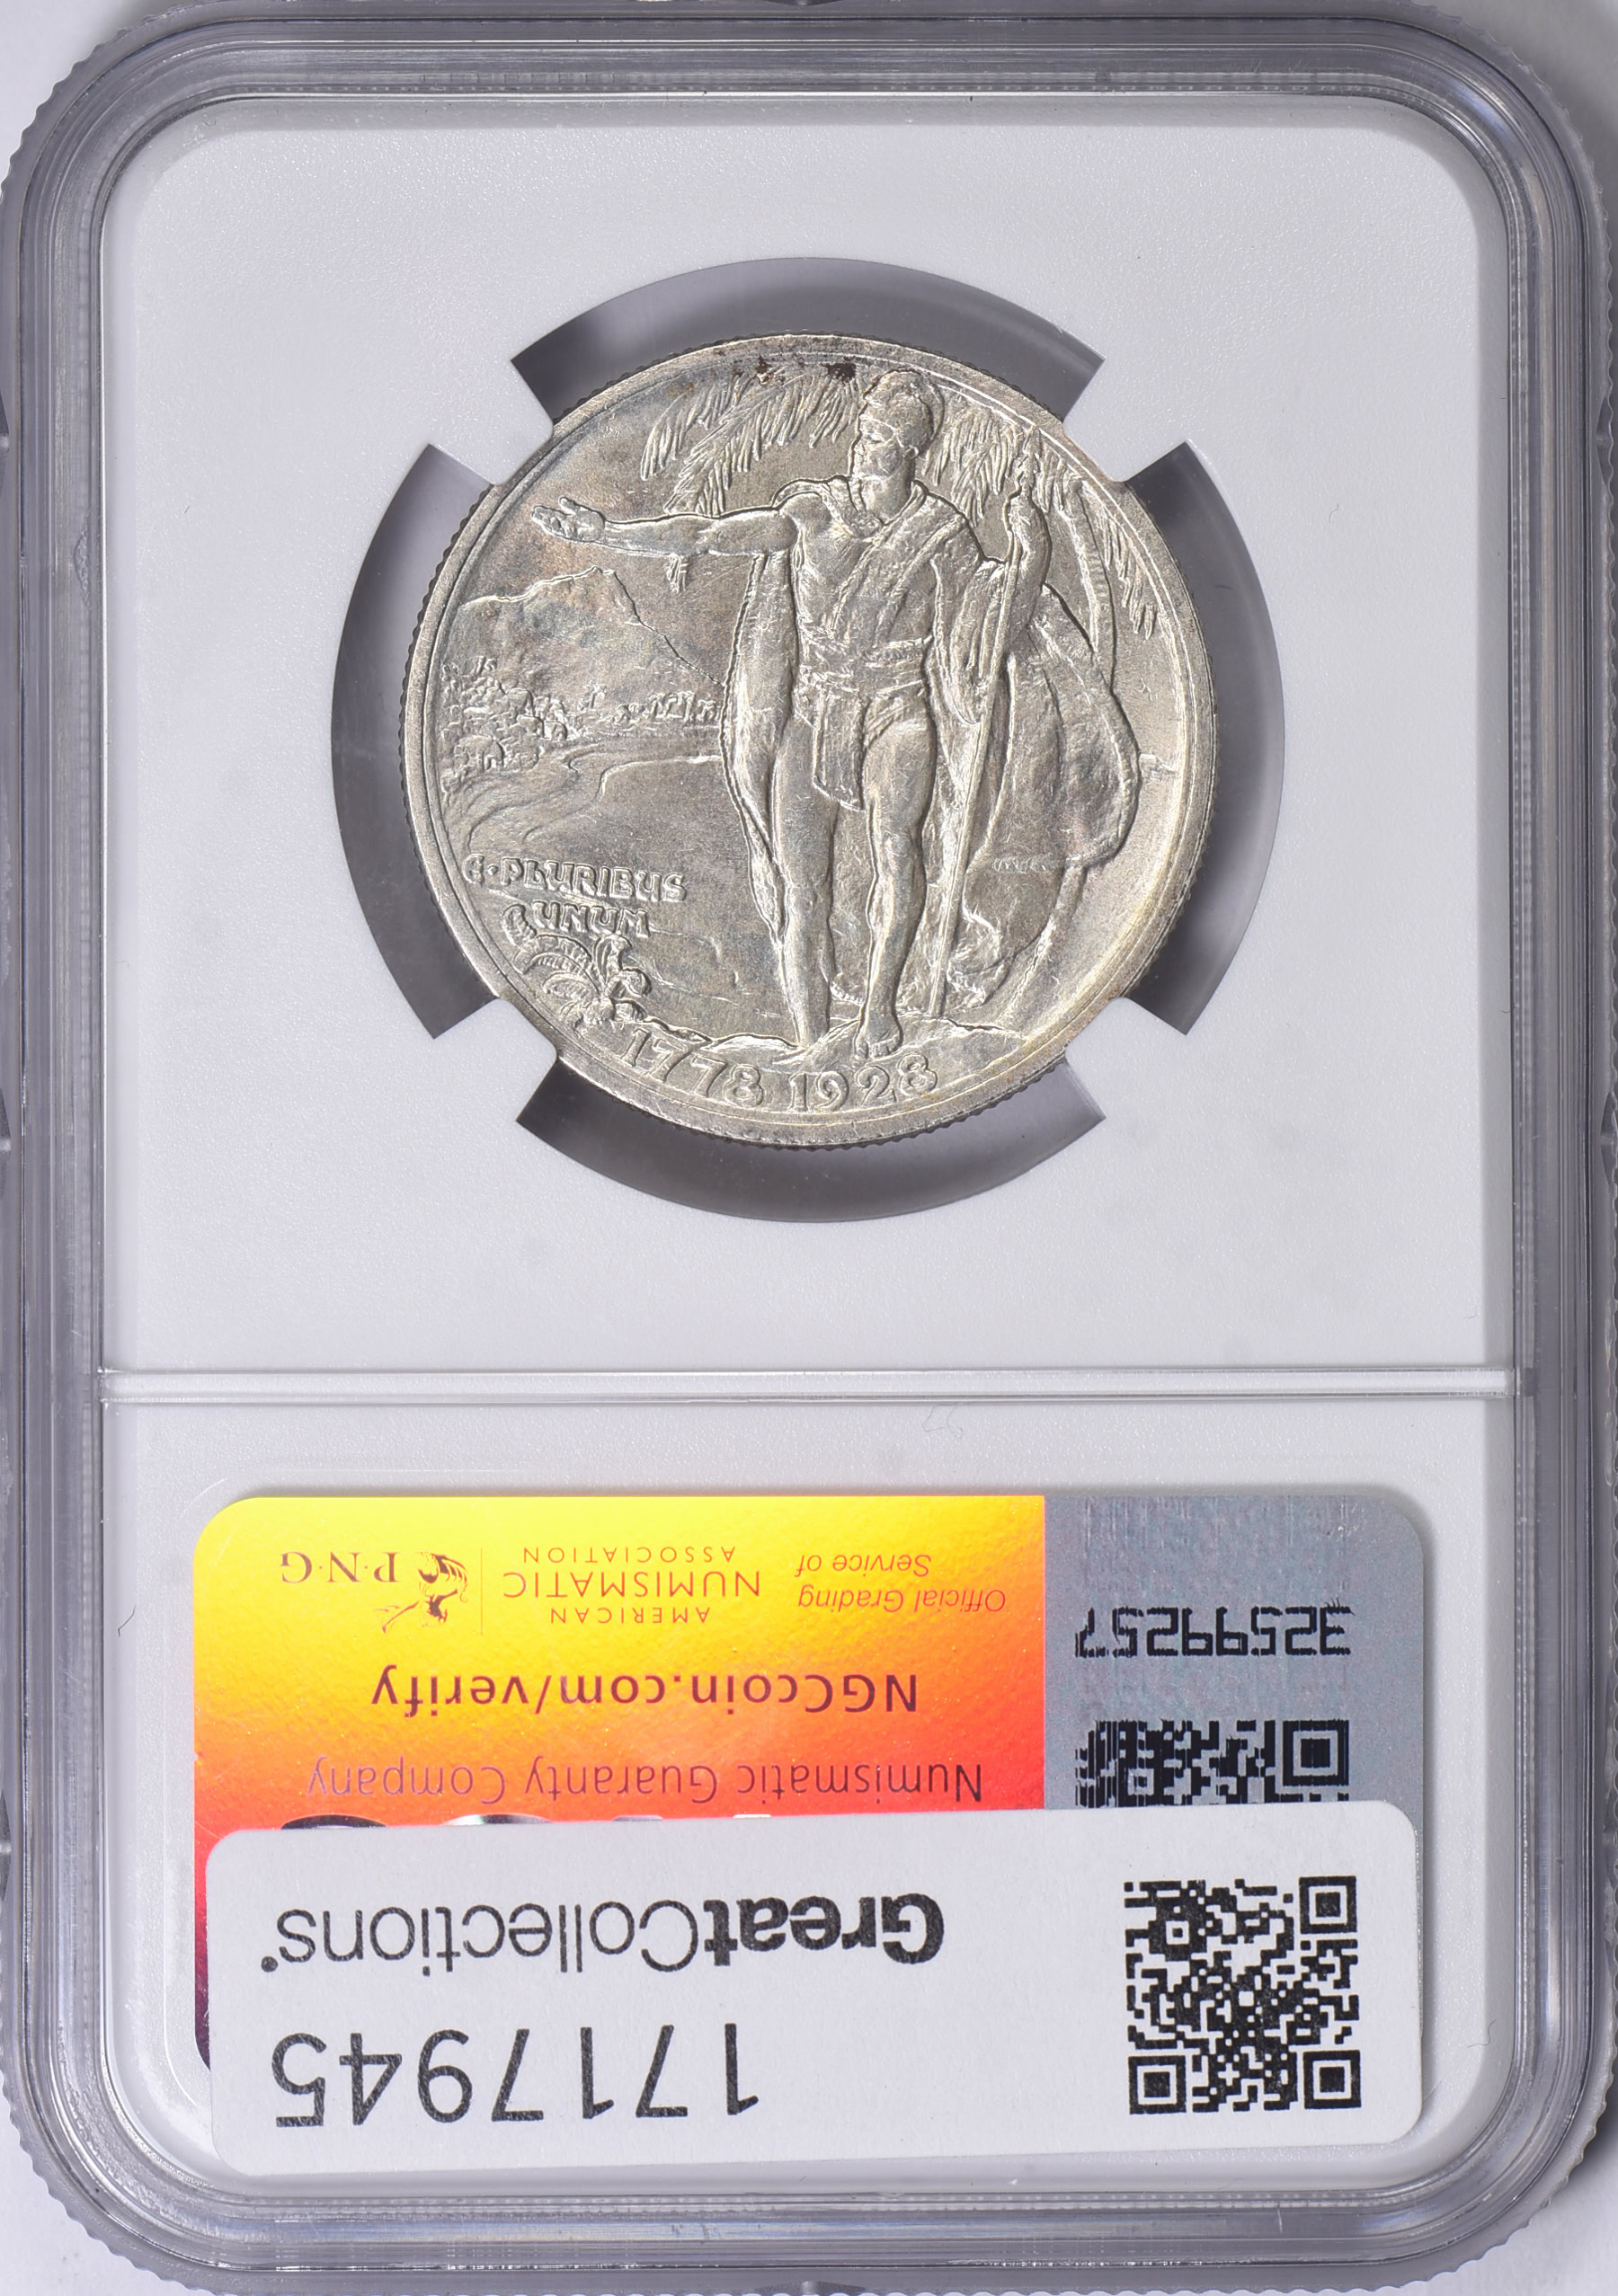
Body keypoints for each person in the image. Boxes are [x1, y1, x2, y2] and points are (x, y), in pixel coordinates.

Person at [535, 368, 1137, 1058]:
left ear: (908, 449)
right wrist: (607, 531)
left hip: (896, 712)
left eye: (877, 435)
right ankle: (809, 1036)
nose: (861, 444)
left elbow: (984, 625)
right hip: (814, 711)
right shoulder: (811, 512)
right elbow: (706, 536)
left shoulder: (940, 533)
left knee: (896, 854)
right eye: (863, 430)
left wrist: (1030, 560)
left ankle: (879, 1011)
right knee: (802, 889)